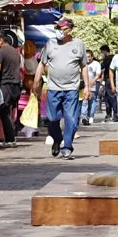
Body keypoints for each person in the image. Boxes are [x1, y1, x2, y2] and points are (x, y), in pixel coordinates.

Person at [34, 16, 89, 158]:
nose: (59, 31)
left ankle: (67, 147)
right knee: (52, 119)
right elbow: (42, 63)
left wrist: (87, 87)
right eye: (57, 28)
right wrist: (36, 82)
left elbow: (84, 67)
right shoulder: (50, 44)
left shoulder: (79, 44)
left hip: (72, 89)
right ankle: (57, 139)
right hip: (53, 88)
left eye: (62, 29)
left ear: (69, 30)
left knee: (71, 119)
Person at [0, 29, 25, 144]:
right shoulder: (15, 52)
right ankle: (12, 136)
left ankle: (10, 139)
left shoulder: (0, 52)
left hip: (5, 84)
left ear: (0, 40)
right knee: (10, 110)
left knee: (3, 111)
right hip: (16, 84)